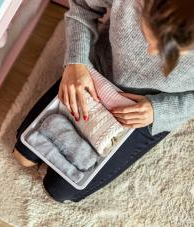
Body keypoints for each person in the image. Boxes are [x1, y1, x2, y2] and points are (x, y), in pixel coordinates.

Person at [13, 0, 194, 202]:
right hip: (96, 75)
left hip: (146, 109)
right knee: (23, 155)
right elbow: (82, 6)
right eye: (149, 33)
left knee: (60, 192)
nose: (151, 51)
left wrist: (159, 110)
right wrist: (77, 61)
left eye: (172, 49)